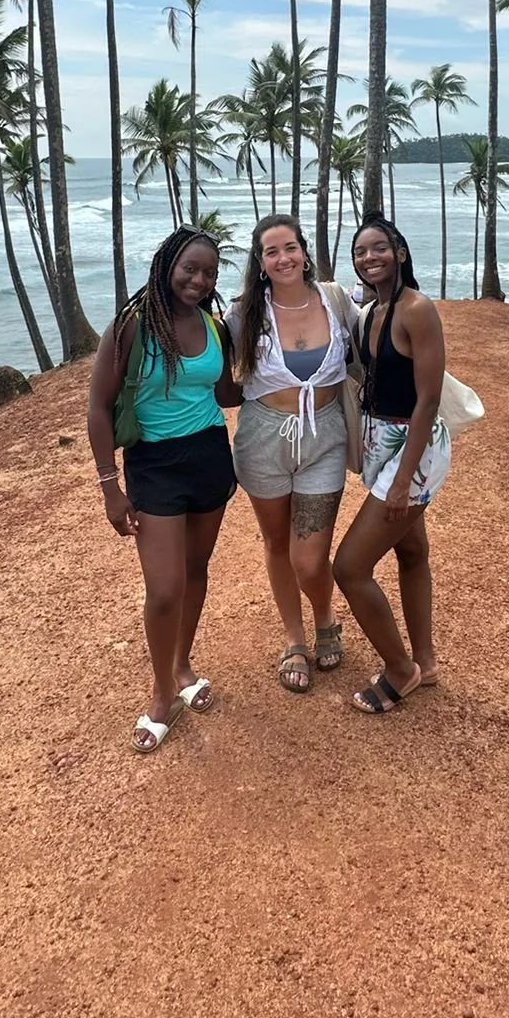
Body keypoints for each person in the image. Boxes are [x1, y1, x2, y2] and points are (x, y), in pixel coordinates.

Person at [87, 226, 238, 754]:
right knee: (164, 588)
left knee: (197, 573)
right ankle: (160, 693)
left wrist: (293, 371)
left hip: (211, 457)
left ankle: (181, 666)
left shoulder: (215, 327)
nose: (199, 280)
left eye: (210, 272)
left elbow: (226, 392)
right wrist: (111, 488)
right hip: (153, 466)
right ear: (167, 265)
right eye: (189, 268)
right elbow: (98, 409)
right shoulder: (130, 327)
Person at [226, 214, 359, 693]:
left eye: (290, 248)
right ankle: (295, 638)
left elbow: (380, 331)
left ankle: (326, 617)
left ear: (304, 251)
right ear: (260, 263)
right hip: (262, 436)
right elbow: (214, 369)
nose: (283, 258)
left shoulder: (336, 299)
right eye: (271, 252)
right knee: (276, 542)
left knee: (309, 556)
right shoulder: (244, 313)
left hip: (324, 433)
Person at [333, 212, 450, 715]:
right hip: (385, 441)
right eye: (360, 252)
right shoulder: (370, 312)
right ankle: (425, 661)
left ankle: (400, 670)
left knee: (350, 567)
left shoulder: (416, 309)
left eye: (379, 248)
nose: (369, 257)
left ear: (400, 253)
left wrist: (403, 480)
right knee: (412, 552)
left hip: (414, 449)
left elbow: (428, 400)